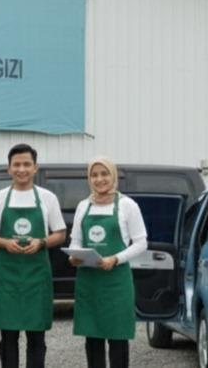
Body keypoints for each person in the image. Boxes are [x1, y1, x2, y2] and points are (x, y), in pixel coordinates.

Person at [0, 143, 67, 368]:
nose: (21, 169)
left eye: (26, 164)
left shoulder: (48, 198)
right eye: (16, 164)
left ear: (35, 167)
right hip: (7, 276)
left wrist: (42, 242)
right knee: (8, 336)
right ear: (8, 169)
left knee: (36, 335)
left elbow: (60, 233)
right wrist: (5, 243)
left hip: (37, 276)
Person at [68, 156, 147, 368]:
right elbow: (75, 241)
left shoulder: (127, 205)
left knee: (117, 337)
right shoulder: (83, 206)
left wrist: (116, 258)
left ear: (113, 176)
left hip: (116, 282)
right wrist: (74, 257)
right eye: (94, 175)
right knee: (92, 338)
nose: (99, 179)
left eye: (104, 174)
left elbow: (141, 243)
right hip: (89, 282)